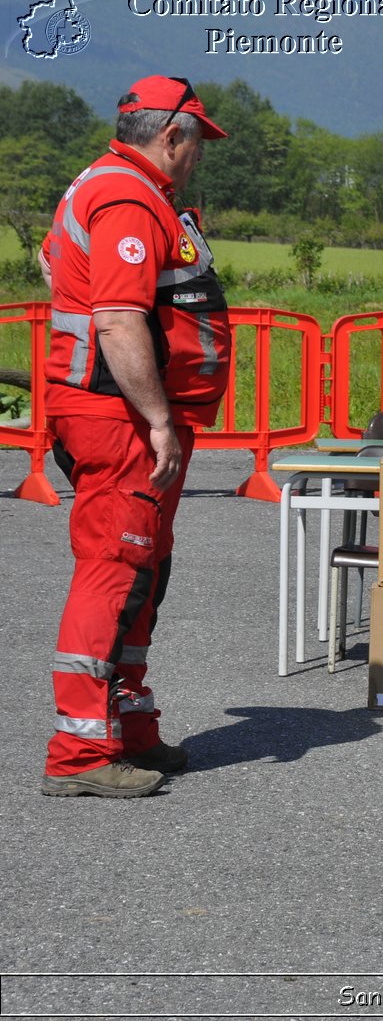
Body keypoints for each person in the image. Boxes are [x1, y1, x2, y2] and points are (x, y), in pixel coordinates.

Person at [38, 75, 231, 797]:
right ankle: (79, 754)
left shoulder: (116, 188)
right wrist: (156, 419)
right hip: (116, 417)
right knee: (114, 569)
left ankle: (129, 731)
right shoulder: (125, 196)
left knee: (142, 574)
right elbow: (118, 319)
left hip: (122, 414)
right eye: (196, 145)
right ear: (170, 135)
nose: (197, 159)